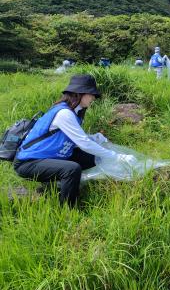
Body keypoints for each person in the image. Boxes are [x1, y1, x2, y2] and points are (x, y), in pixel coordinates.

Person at [13, 75, 137, 207]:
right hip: (29, 162)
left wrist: (94, 138)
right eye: (92, 94)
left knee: (92, 158)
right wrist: (117, 157)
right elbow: (84, 143)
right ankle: (67, 210)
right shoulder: (64, 113)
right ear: (80, 93)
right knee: (72, 169)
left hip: (49, 157)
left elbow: (78, 138)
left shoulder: (73, 112)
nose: (94, 98)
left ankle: (62, 184)